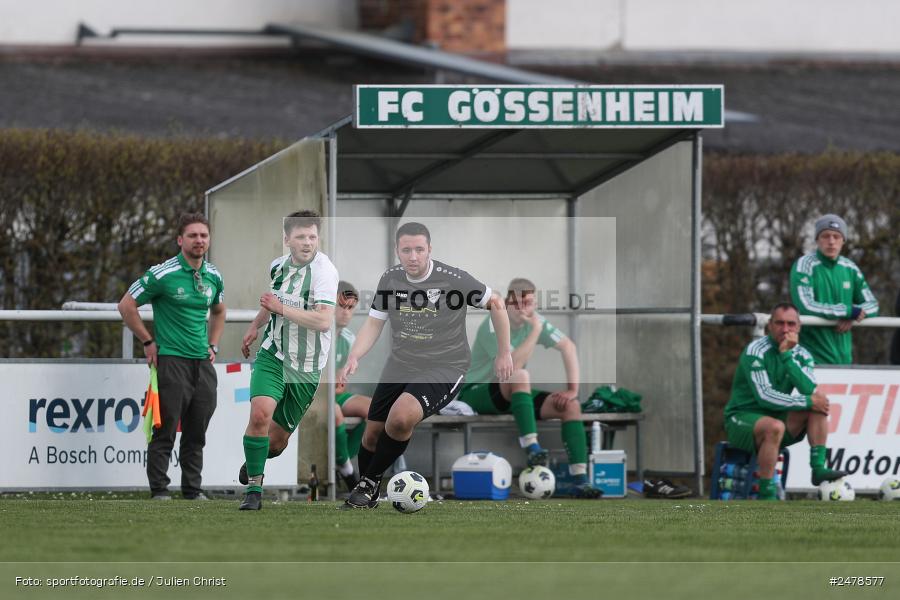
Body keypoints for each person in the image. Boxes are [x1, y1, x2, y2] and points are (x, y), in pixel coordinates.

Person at [337, 222, 514, 509]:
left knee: (401, 417)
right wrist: (355, 355)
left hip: (446, 364)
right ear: (397, 251)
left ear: (429, 249)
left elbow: (496, 302)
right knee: (371, 433)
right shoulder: (390, 279)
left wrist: (504, 352)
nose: (413, 256)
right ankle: (366, 491)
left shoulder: (452, 278)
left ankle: (368, 484)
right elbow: (373, 323)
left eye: (419, 249)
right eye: (406, 250)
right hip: (401, 363)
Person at [457, 277, 601, 498]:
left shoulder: (536, 320)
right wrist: (535, 331)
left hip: (514, 393)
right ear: (507, 302)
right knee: (520, 374)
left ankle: (580, 480)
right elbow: (511, 366)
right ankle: (532, 448)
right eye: (519, 303)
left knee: (570, 406)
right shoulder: (494, 322)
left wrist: (572, 389)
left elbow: (568, 347)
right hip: (477, 393)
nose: (525, 309)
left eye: (530, 303)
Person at [118, 212, 225, 501]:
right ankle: (160, 490)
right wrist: (148, 341)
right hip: (171, 360)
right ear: (180, 240)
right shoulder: (161, 274)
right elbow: (126, 306)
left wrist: (213, 345)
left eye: (203, 235)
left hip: (201, 364)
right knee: (165, 429)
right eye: (192, 235)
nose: (199, 240)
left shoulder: (213, 275)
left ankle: (192, 489)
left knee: (196, 431)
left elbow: (219, 310)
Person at [236, 210, 338, 510]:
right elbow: (272, 301)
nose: (307, 242)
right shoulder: (278, 267)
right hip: (274, 353)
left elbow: (322, 321)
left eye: (312, 236)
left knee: (277, 443)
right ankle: (254, 491)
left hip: (306, 367)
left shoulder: (324, 272)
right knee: (259, 415)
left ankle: (255, 460)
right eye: (300, 237)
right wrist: (255, 326)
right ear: (287, 239)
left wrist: (280, 308)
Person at [724, 302, 846, 500]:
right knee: (777, 425)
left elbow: (810, 391)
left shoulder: (802, 354)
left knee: (819, 406)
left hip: (776, 419)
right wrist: (807, 401)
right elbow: (765, 396)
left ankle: (818, 468)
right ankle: (767, 493)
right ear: (770, 325)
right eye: (779, 323)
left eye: (791, 324)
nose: (785, 329)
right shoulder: (755, 351)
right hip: (741, 418)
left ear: (799, 327)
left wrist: (787, 356)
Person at [790, 213, 879, 365]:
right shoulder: (804, 265)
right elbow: (805, 305)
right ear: (817, 239)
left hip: (844, 359)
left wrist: (852, 314)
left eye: (836, 236)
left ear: (843, 241)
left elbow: (873, 305)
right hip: (811, 358)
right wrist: (846, 311)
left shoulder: (850, 268)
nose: (831, 241)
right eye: (825, 236)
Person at [333, 280, 372, 490]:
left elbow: (340, 384)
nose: (346, 313)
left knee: (378, 411)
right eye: (341, 306)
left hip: (332, 396)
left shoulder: (349, 338)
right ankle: (348, 472)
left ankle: (340, 458)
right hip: (312, 397)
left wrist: (339, 383)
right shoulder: (315, 335)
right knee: (335, 411)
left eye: (350, 308)